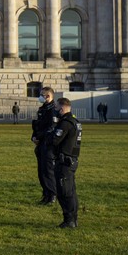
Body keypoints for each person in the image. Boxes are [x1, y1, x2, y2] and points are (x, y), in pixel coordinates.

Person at [50, 98, 82, 228]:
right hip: (72, 160)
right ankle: (73, 218)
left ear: (62, 108)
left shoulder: (65, 123)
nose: (56, 110)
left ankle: (69, 220)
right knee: (71, 191)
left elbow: (54, 140)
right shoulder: (76, 122)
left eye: (57, 108)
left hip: (64, 162)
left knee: (65, 192)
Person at [31, 86, 58, 205]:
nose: (40, 97)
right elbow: (37, 125)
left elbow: (51, 128)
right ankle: (45, 194)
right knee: (41, 171)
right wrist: (33, 137)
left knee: (48, 171)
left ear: (48, 96)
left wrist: (39, 137)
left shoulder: (53, 110)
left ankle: (52, 195)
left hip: (48, 144)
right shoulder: (42, 109)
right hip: (40, 143)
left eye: (42, 94)